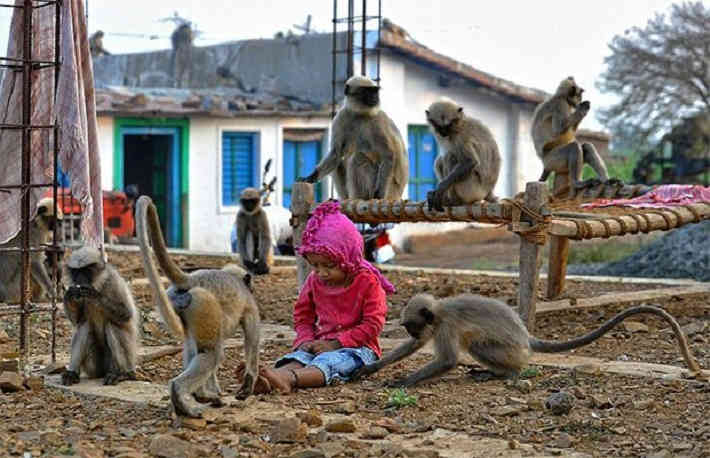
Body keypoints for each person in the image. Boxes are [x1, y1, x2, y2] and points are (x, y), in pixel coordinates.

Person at [247, 200, 396, 393]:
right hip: (320, 343)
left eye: (329, 266)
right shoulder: (314, 280)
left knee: (331, 362)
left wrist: (336, 343)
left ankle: (288, 379)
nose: (321, 273)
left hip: (359, 349)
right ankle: (272, 379)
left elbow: (373, 324)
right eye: (315, 266)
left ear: (349, 258)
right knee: (298, 357)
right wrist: (306, 339)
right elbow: (303, 316)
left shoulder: (367, 282)